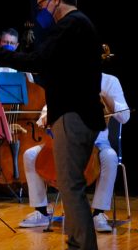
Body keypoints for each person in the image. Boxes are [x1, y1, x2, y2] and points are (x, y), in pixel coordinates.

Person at [0, 0, 105, 250]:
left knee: (71, 185)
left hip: (74, 113)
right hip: (72, 113)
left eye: (42, 3)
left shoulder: (71, 24)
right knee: (68, 185)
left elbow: (37, 60)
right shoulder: (74, 26)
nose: (41, 9)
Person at [17, 71, 128, 233]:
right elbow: (48, 108)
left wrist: (107, 97)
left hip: (97, 141)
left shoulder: (110, 81)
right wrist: (45, 117)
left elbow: (124, 117)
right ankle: (41, 212)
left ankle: (98, 213)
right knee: (30, 154)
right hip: (63, 140)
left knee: (110, 157)